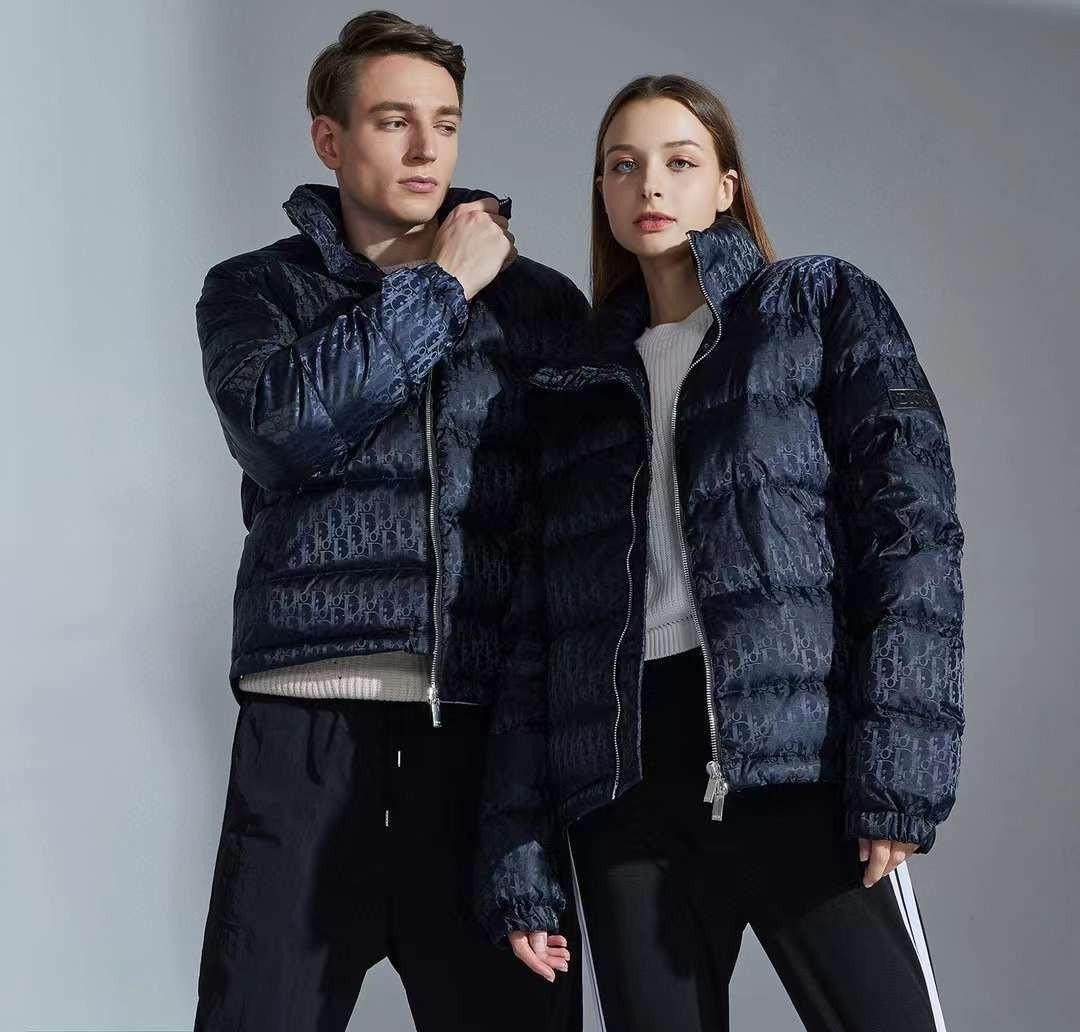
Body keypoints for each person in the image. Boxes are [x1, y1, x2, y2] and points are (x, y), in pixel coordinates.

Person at [477, 74, 964, 1031]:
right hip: (623, 781)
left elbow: (913, 537)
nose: (649, 184)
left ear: (726, 187)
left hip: (793, 757)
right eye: (623, 166)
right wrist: (521, 860)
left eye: (679, 160)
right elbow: (535, 636)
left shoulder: (815, 306)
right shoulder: (573, 382)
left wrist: (898, 771)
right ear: (603, 192)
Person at [192, 11, 585, 1031]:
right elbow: (280, 431)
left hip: (481, 743)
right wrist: (441, 286)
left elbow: (571, 529)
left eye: (444, 124)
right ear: (330, 139)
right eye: (392, 121)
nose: (424, 149)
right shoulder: (254, 289)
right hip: (302, 737)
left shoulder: (538, 306)